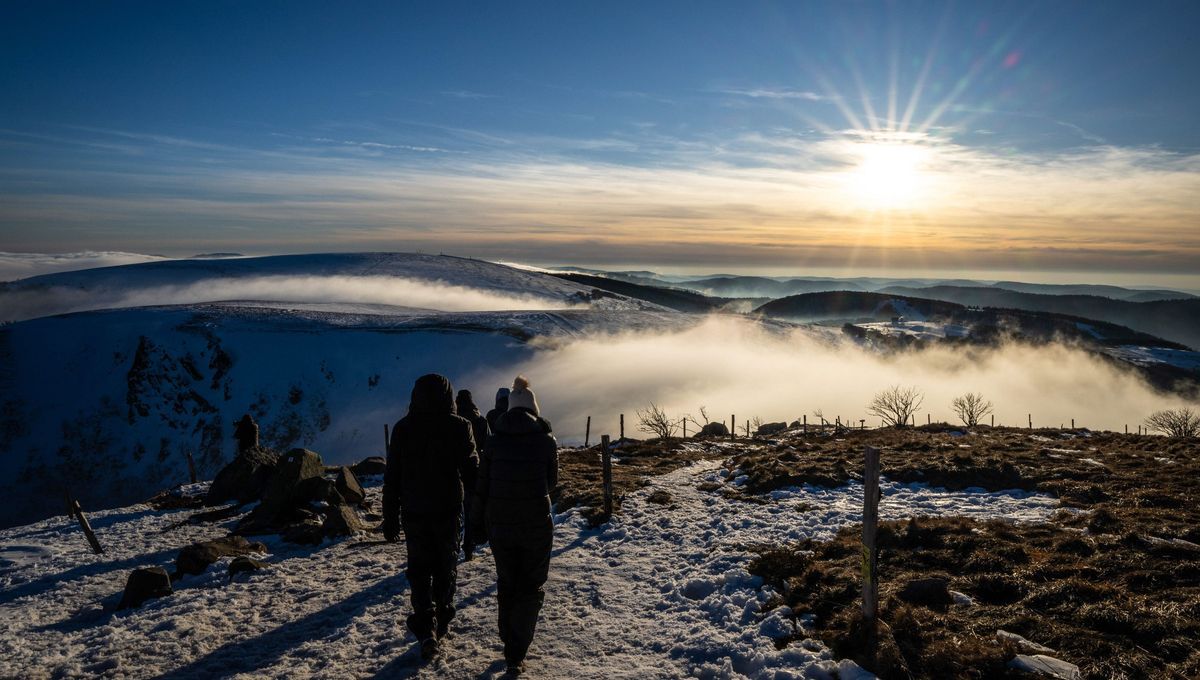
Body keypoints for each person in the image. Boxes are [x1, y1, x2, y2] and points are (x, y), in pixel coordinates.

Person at [382, 374, 477, 660]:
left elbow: (392, 477)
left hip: (414, 511)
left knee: (419, 570)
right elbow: (472, 472)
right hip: (448, 510)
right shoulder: (460, 426)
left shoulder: (403, 428)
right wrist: (481, 511)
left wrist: (390, 516)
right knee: (446, 566)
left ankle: (426, 627)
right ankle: (442, 618)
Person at [470, 376, 558, 675]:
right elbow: (551, 483)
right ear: (534, 408)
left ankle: (507, 634)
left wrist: (476, 526)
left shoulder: (494, 442)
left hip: (500, 522)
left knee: (507, 581)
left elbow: (482, 486)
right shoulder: (546, 441)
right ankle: (516, 650)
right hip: (536, 523)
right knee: (531, 586)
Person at [455, 389, 490, 560]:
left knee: (454, 512)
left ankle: (452, 547)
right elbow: (488, 445)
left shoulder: (452, 421)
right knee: (470, 510)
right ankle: (469, 547)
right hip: (475, 471)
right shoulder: (481, 421)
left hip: (454, 471)